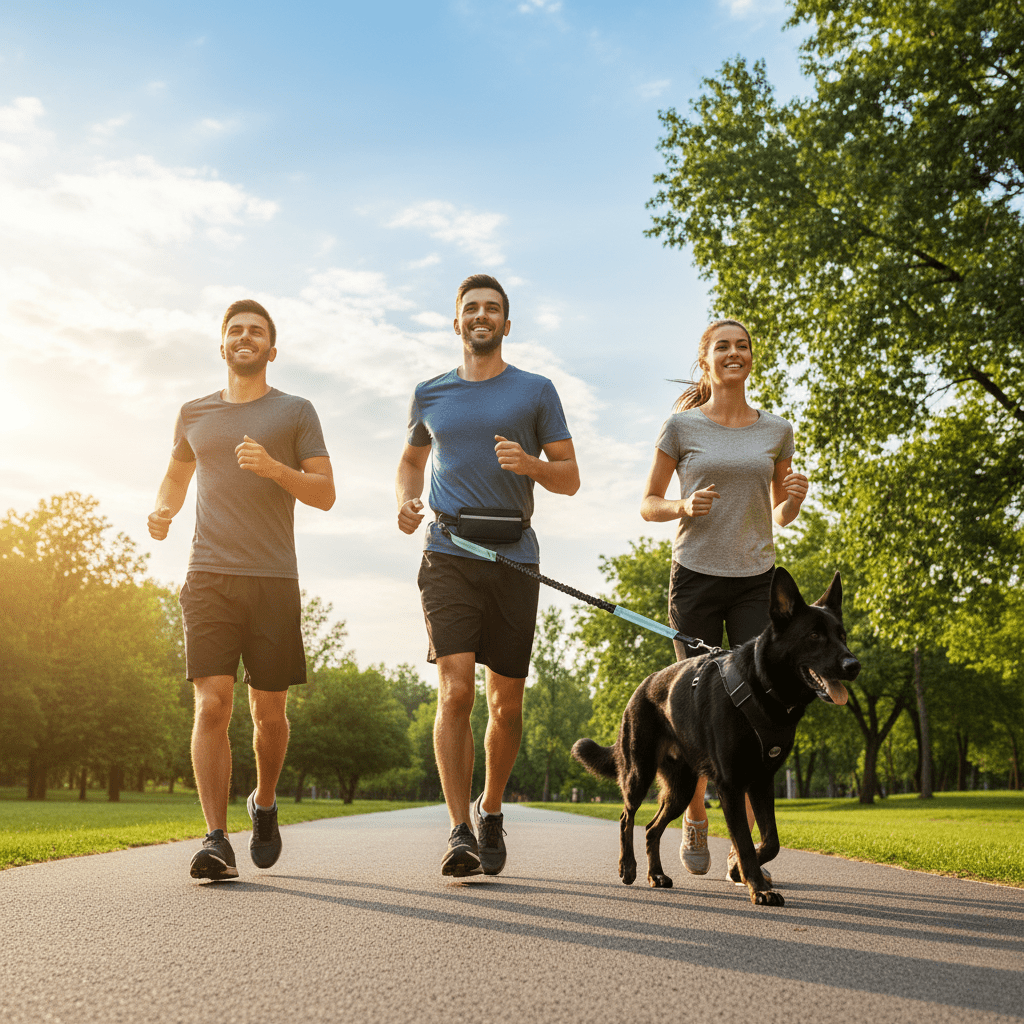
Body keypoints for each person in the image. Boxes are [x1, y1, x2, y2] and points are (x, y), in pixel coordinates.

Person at [396, 274, 579, 877]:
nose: (481, 316)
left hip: (514, 557)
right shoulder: (430, 393)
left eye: (492, 309)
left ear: (506, 323)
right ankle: (458, 831)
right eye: (470, 308)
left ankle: (491, 805)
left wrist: (529, 463)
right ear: (456, 322)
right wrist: (405, 499)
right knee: (455, 692)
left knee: (506, 705)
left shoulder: (536, 390)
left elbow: (569, 476)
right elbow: (412, 459)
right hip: (448, 553)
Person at [148, 299, 335, 880]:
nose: (245, 337)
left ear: (271, 350)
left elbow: (325, 493)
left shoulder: (296, 411)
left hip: (274, 580)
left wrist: (275, 468)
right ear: (222, 345)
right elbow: (178, 474)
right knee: (212, 703)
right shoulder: (194, 413)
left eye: (256, 331)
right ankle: (215, 839)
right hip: (208, 576)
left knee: (269, 715)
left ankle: (265, 801)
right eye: (235, 331)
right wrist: (163, 509)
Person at [639, 318, 807, 883]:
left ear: (751, 358)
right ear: (705, 361)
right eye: (722, 347)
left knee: (757, 701)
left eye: (742, 346)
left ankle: (747, 847)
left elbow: (779, 513)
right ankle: (695, 814)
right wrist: (682, 508)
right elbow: (648, 503)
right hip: (696, 578)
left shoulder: (776, 429)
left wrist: (794, 502)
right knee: (696, 704)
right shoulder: (680, 427)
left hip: (756, 579)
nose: (733, 353)